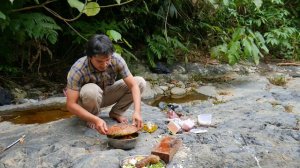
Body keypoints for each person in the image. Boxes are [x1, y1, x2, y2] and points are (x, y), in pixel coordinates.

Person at [65, 34, 146, 135]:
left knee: (140, 82)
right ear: (90, 57)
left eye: (107, 60)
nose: (104, 64)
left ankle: (116, 112)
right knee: (91, 91)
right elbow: (70, 104)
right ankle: (92, 117)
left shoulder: (116, 59)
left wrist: (137, 112)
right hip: (87, 100)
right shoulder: (78, 69)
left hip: (106, 93)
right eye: (99, 61)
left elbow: (133, 86)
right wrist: (95, 119)